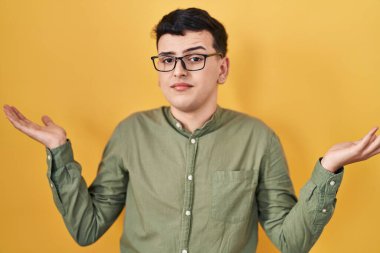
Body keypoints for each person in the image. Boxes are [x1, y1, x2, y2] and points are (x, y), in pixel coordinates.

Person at [3, 7, 380, 253]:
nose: (179, 71)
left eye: (195, 58)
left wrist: (327, 169)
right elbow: (87, 229)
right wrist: (59, 151)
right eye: (167, 59)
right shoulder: (130, 133)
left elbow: (289, 241)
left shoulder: (259, 138)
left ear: (223, 68)